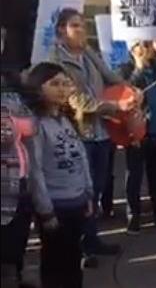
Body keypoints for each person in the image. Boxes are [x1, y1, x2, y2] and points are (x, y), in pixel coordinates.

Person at [49, 8, 126, 265]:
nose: (81, 30)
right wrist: (115, 107)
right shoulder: (56, 61)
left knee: (97, 187)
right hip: (79, 132)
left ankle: (93, 239)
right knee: (80, 190)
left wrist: (130, 90)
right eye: (75, 26)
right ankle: (81, 245)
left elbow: (109, 76)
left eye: (83, 25)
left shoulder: (88, 53)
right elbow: (77, 101)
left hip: (102, 132)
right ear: (61, 29)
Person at [27, 62, 93, 288]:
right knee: (56, 264)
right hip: (55, 206)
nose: (62, 89)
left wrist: (88, 192)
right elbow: (35, 171)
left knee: (74, 260)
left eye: (66, 83)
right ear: (37, 87)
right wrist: (46, 211)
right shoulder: (36, 125)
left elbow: (81, 157)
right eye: (54, 84)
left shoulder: (67, 120)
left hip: (77, 201)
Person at [119, 41, 156, 234]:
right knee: (134, 176)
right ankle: (133, 216)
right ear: (132, 49)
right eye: (139, 45)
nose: (145, 49)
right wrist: (137, 68)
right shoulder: (124, 70)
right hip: (138, 133)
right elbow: (125, 95)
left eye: (146, 45)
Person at [1, 69, 37, 288]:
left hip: (20, 176)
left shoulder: (11, 82)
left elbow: (31, 125)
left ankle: (17, 274)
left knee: (18, 237)